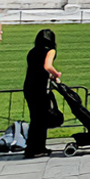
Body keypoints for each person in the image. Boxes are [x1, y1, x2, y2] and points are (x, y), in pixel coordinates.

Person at [23, 28, 61, 157]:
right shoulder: (50, 50)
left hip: (29, 86)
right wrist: (56, 74)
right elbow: (47, 66)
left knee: (35, 118)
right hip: (40, 87)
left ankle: (33, 147)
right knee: (41, 119)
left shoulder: (32, 52)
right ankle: (38, 147)